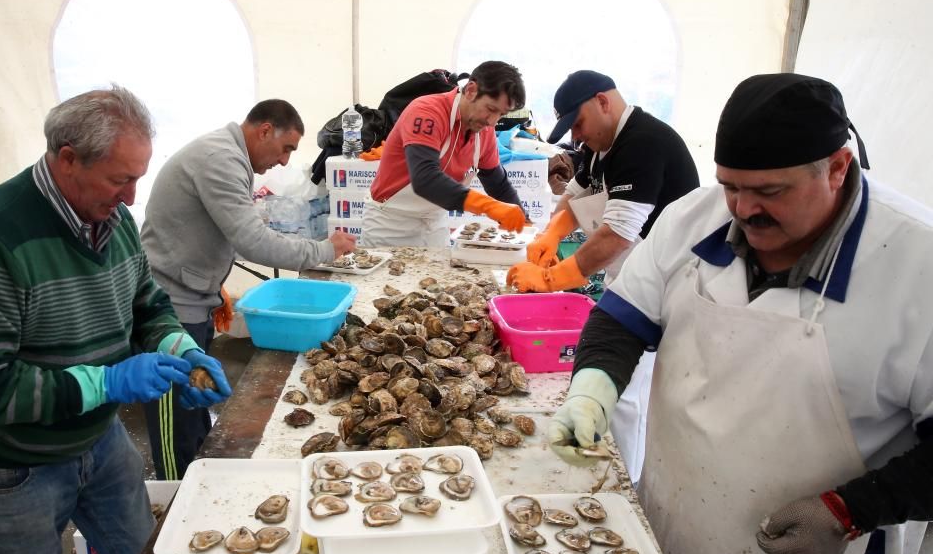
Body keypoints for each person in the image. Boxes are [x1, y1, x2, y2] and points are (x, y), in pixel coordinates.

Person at [548, 73, 933, 554]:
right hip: (675, 527)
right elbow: (622, 318)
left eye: (770, 192)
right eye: (731, 185)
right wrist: (592, 391)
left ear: (838, 167)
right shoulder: (693, 218)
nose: (743, 209)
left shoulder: (917, 265)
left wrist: (852, 510)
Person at [0, 86, 230, 554]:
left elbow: (147, 304)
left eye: (138, 177)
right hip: (13, 464)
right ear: (67, 159)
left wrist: (180, 347)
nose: (133, 197)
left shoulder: (114, 221)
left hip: (99, 439)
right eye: (121, 179)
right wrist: (108, 383)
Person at [140, 99, 355, 480]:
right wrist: (325, 249)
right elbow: (253, 241)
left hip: (193, 298)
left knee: (195, 407)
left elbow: (216, 232)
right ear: (264, 131)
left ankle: (199, 482)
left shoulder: (228, 155)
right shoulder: (220, 159)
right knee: (175, 419)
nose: (286, 161)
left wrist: (212, 287)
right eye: (286, 148)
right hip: (169, 310)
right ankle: (174, 503)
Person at [509, 70, 699, 482]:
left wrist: (551, 280)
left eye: (578, 124)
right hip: (626, 279)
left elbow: (615, 235)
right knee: (609, 385)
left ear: (603, 101)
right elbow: (573, 198)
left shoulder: (643, 143)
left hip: (663, 289)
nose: (576, 138)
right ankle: (602, 461)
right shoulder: (600, 147)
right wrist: (549, 237)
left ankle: (623, 483)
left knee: (628, 393)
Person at [359, 60, 530, 247]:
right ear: (471, 90)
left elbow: (498, 184)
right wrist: (488, 206)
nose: (492, 121)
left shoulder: (484, 131)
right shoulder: (427, 112)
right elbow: (425, 179)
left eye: (501, 115)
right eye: (491, 109)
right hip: (389, 224)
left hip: (434, 223)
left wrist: (527, 229)